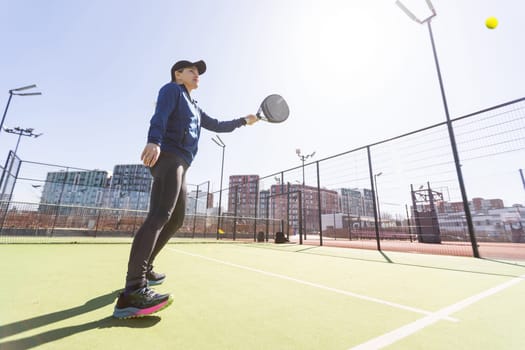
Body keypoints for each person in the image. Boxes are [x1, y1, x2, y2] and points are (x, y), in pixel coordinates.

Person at [113, 59, 258, 319]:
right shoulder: (171, 90)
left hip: (181, 162)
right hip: (168, 155)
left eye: (198, 72)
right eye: (191, 70)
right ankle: (132, 291)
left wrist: (245, 121)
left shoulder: (195, 106)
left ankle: (145, 270)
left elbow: (217, 124)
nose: (197, 74)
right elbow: (159, 116)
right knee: (159, 215)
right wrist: (154, 141)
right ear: (178, 74)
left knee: (176, 219)